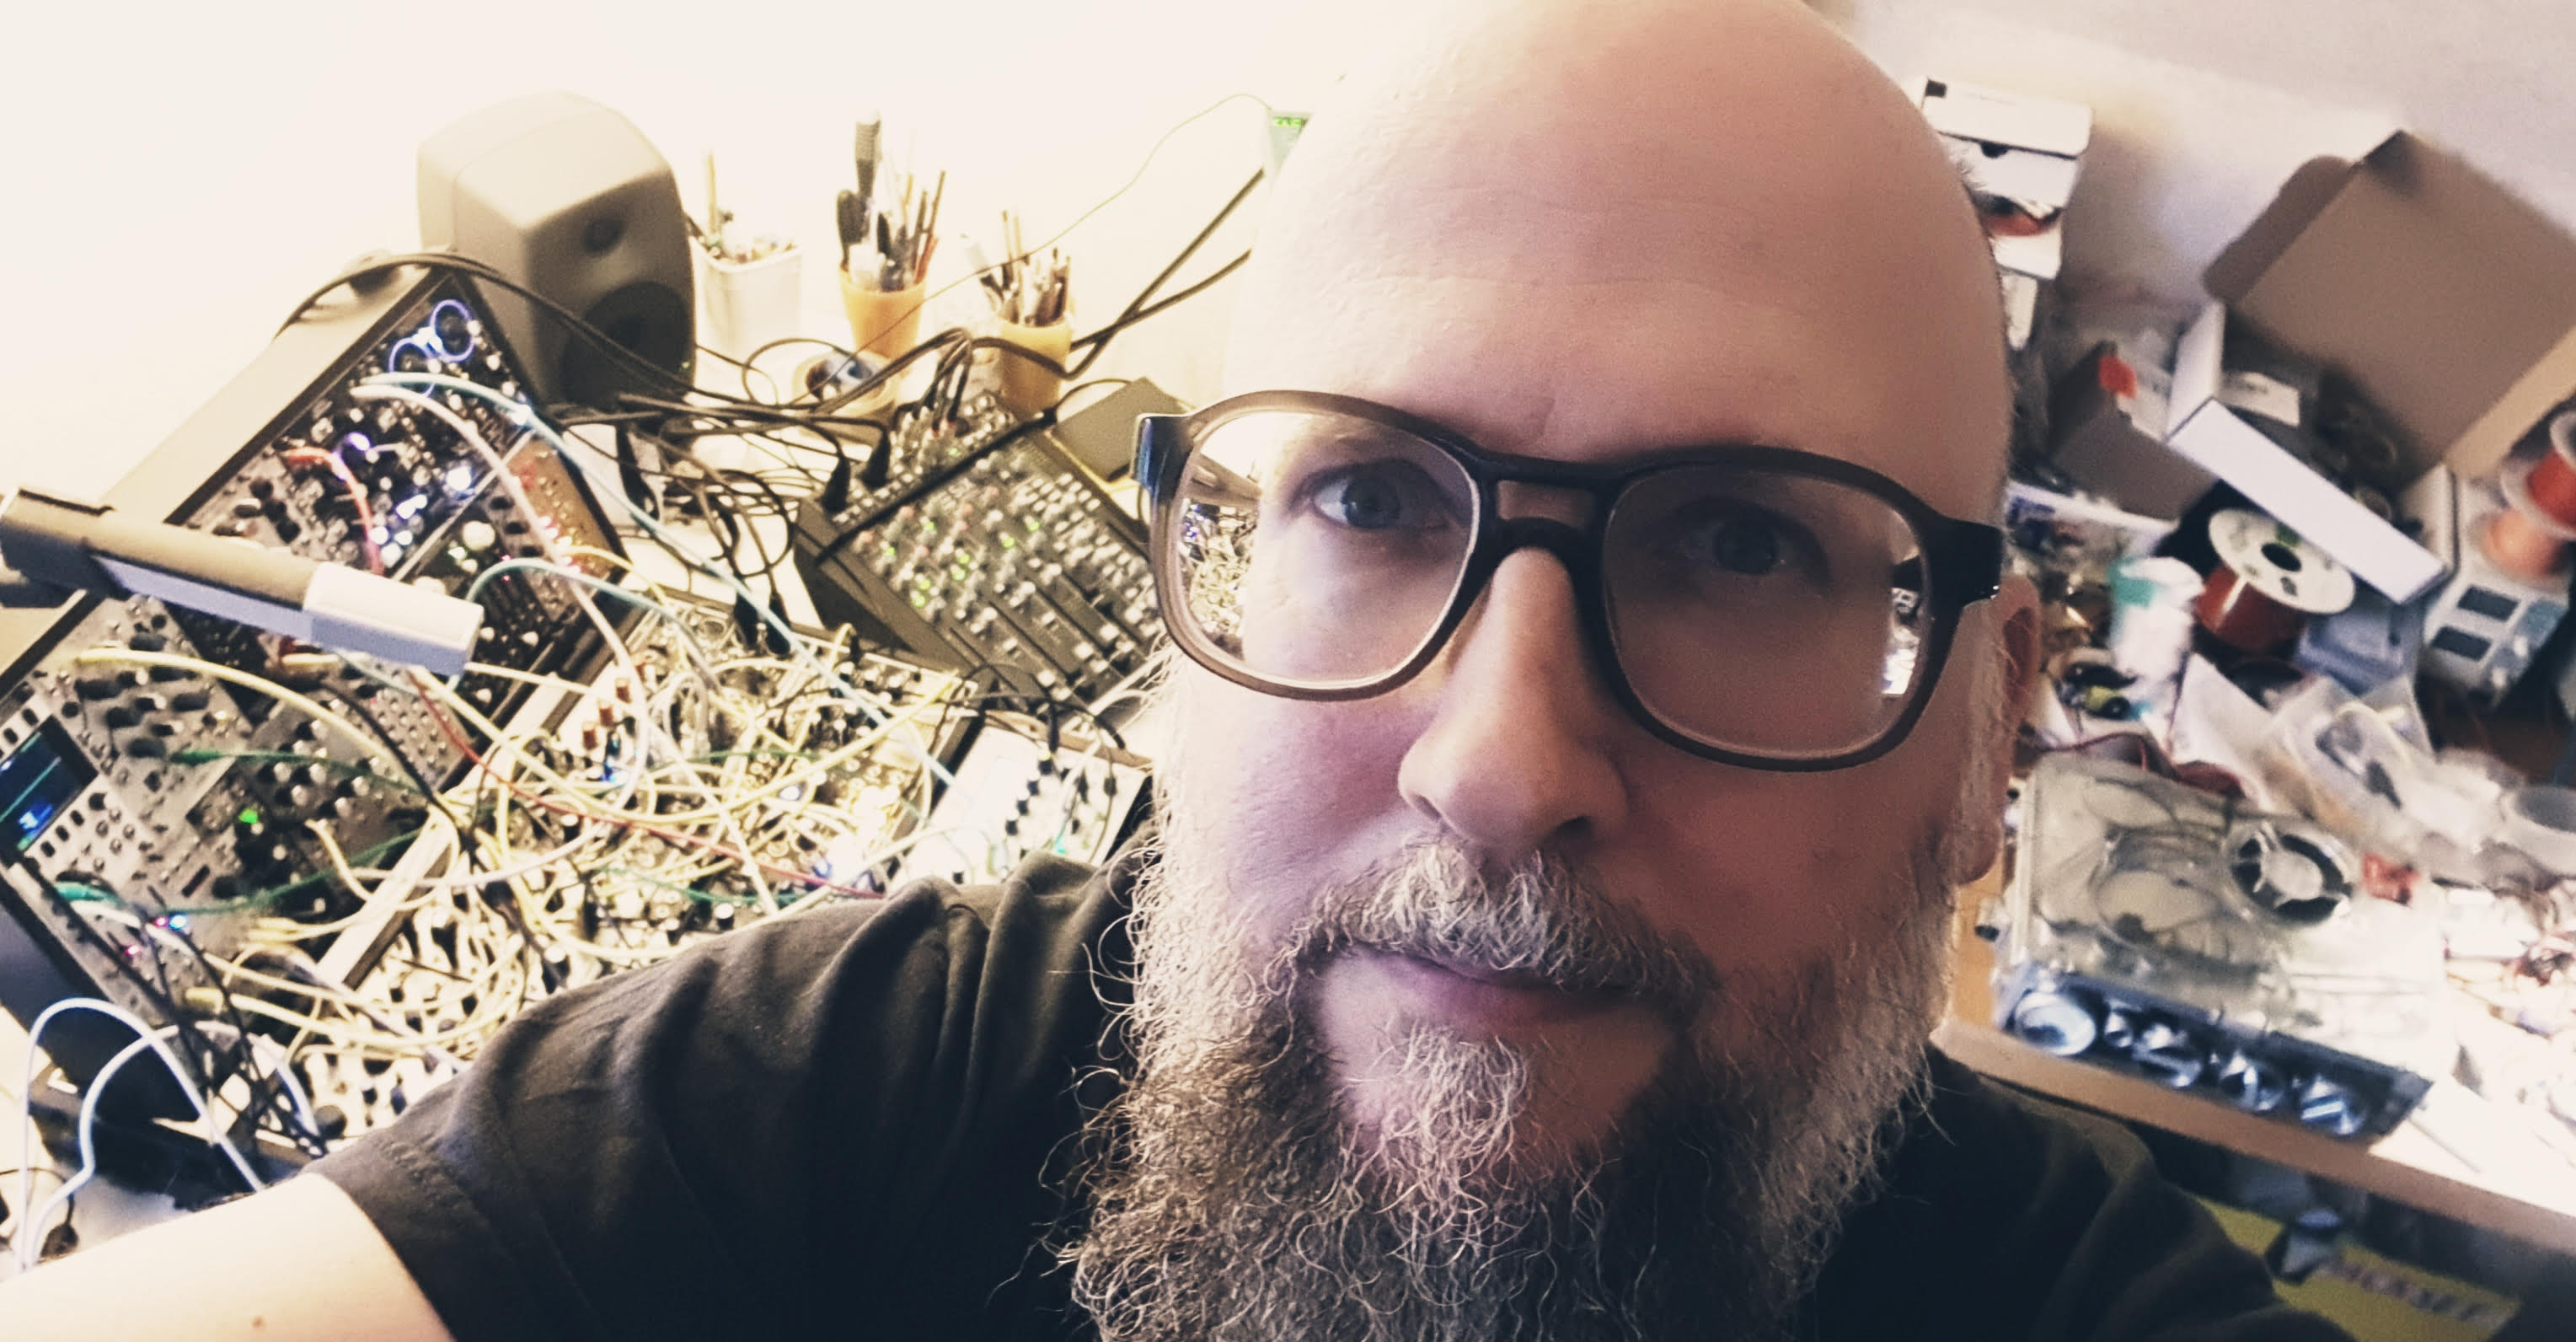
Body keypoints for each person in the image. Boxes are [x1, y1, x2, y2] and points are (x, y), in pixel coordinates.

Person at [0, 1, 2348, 1337]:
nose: (1501, 764)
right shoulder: (850, 1082)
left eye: (1742, 543)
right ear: (1180, 607)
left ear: (1990, 722)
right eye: (1373, 498)